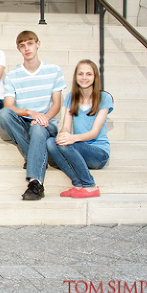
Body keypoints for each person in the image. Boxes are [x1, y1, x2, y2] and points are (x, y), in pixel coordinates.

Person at [0, 30, 65, 201]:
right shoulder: (13, 75)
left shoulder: (53, 70)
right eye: (22, 45)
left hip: (47, 122)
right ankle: (34, 153)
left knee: (38, 128)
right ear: (18, 49)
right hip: (26, 120)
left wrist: (44, 118)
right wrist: (30, 113)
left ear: (38, 44)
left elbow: (57, 104)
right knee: (3, 114)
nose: (27, 48)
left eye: (30, 44)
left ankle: (36, 183)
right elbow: (9, 105)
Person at [46, 60, 113, 198]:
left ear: (95, 77)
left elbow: (94, 132)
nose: (84, 77)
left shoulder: (104, 98)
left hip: (98, 153)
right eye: (80, 74)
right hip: (77, 148)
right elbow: (66, 126)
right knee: (50, 143)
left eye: (89, 74)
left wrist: (71, 138)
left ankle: (90, 186)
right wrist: (63, 135)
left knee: (66, 145)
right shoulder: (72, 97)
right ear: (76, 76)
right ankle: (78, 184)